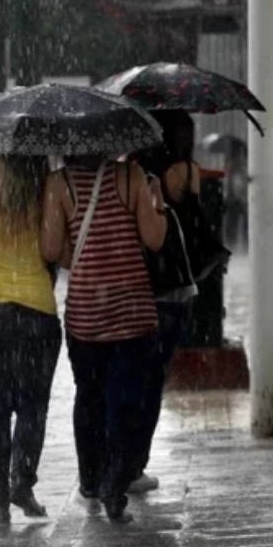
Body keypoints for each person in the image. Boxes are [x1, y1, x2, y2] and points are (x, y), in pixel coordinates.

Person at [43, 153, 167, 523]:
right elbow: (154, 239)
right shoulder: (130, 176)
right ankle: (116, 481)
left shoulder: (58, 183)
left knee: (89, 396)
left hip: (86, 314)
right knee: (126, 399)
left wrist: (83, 259)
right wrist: (156, 201)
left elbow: (50, 249)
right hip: (132, 309)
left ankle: (91, 479)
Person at [0, 155, 62, 525]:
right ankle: (23, 482)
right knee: (32, 408)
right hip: (34, 313)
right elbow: (52, 250)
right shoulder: (46, 187)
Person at [132, 111, 203, 494]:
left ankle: (117, 459)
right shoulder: (186, 171)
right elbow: (195, 225)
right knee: (154, 379)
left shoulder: (136, 173)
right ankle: (136, 461)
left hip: (138, 284)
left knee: (131, 376)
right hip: (175, 286)